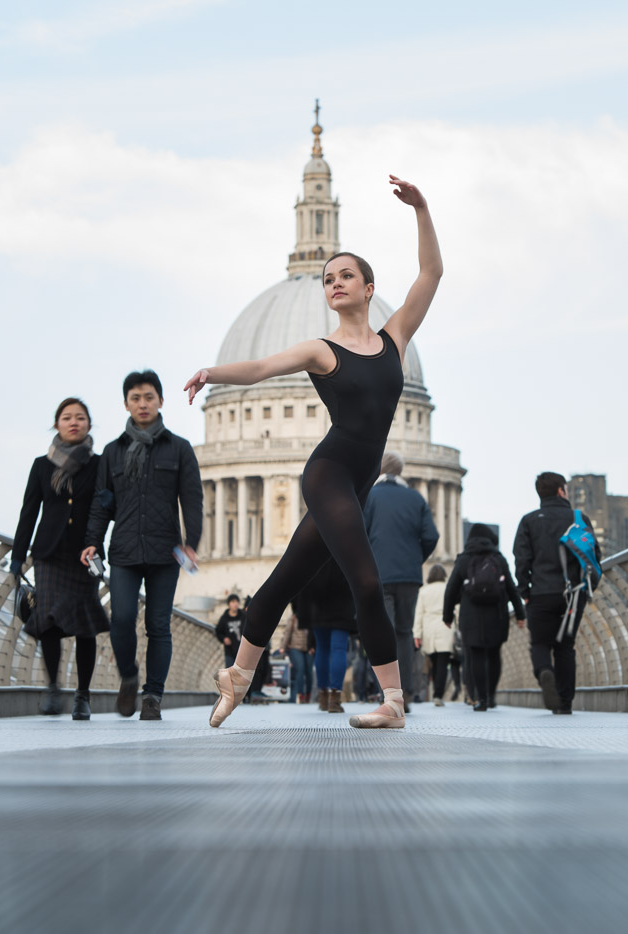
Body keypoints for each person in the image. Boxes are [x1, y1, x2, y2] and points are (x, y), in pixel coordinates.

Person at [185, 175, 442, 730]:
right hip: (327, 474)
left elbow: (431, 274)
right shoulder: (320, 349)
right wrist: (212, 371)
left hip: (358, 479)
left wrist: (421, 209)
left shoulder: (395, 338)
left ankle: (238, 675)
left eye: (346, 275)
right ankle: (394, 702)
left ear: (369, 287)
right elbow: (257, 370)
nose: (335, 283)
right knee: (366, 581)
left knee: (281, 582)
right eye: (329, 278)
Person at [81, 370, 203, 722]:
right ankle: (130, 677)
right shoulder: (112, 452)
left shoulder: (179, 448)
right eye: (136, 398)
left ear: (161, 401)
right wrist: (93, 542)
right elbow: (101, 503)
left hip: (166, 551)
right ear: (126, 404)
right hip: (124, 550)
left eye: (149, 397)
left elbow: (192, 500)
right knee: (120, 619)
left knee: (158, 624)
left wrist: (191, 543)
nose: (143, 404)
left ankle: (152, 696)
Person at [10, 398, 110, 721]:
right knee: (48, 620)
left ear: (89, 425)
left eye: (80, 418)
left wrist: (96, 543)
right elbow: (29, 512)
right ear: (57, 424)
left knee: (85, 626)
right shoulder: (42, 465)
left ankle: (83, 695)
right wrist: (16, 558)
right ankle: (53, 687)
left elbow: (103, 508)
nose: (74, 422)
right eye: (67, 418)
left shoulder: (99, 465)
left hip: (84, 555)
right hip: (49, 553)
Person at [513, 471, 597, 715]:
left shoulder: (529, 521)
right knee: (565, 647)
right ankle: (565, 703)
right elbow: (595, 556)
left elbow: (521, 559)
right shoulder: (579, 518)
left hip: (539, 593)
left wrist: (524, 590)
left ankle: (544, 672)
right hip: (573, 593)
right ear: (561, 491)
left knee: (540, 643)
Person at [363, 450, 439, 706]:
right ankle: (404, 692)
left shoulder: (370, 497)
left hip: (379, 573)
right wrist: (415, 558)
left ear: (380, 471)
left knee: (383, 631)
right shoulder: (415, 498)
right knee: (405, 633)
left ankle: (387, 693)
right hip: (409, 576)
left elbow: (360, 533)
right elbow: (431, 536)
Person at [444, 523, 525, 712]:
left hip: (471, 615)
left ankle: (481, 699)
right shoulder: (498, 558)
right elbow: (512, 589)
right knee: (494, 654)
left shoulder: (464, 559)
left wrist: (447, 616)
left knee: (477, 655)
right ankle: (491, 695)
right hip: (497, 613)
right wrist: (520, 614)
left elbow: (451, 589)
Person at [293, 559, 356, 712]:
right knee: (339, 649)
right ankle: (335, 698)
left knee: (322, 648)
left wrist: (299, 609)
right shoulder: (345, 544)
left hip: (317, 605)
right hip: (343, 604)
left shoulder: (315, 544)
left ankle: (322, 696)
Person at [412, 564, 454, 706]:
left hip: (429, 629)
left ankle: (435, 690)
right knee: (443, 662)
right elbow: (457, 609)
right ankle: (438, 694)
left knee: (434, 662)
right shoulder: (448, 588)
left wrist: (417, 634)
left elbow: (419, 614)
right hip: (446, 627)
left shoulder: (423, 591)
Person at [280, 604, 314, 703]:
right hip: (296, 648)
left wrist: (313, 647)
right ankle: (301, 694)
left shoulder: (311, 617)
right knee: (300, 669)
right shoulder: (294, 618)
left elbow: (314, 633)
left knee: (309, 672)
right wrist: (283, 647)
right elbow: (288, 632)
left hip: (309, 649)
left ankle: (308, 694)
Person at [214, 594, 245, 668]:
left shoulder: (243, 616)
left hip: (243, 651)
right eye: (233, 602)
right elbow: (218, 631)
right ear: (229, 604)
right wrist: (224, 638)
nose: (235, 604)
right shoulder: (224, 618)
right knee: (230, 674)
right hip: (230, 652)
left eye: (237, 602)